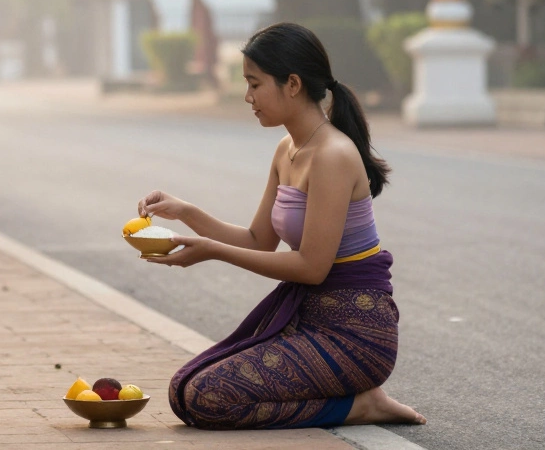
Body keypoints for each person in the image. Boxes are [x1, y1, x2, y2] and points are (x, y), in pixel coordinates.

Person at [138, 22, 425, 430]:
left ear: (292, 84)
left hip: (356, 333)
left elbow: (312, 268)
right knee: (183, 390)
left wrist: (213, 252)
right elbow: (258, 240)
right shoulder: (287, 149)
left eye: (255, 84)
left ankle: (358, 406)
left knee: (207, 399)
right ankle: (351, 400)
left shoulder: (333, 155)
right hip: (309, 320)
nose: (247, 97)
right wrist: (185, 211)